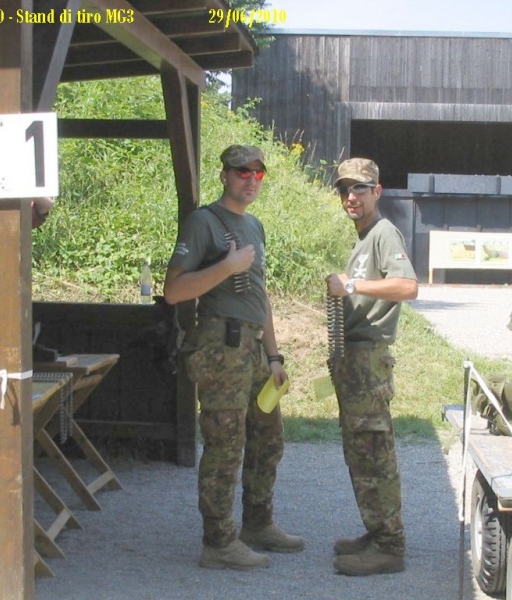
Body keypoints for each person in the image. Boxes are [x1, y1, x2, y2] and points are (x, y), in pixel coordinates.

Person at [163, 145, 303, 571]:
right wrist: (227, 267)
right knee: (225, 445)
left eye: (258, 174)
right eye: (242, 172)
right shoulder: (204, 222)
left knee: (268, 439)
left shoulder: (254, 225)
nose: (250, 180)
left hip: (254, 349)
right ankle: (219, 542)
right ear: (224, 175)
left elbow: (261, 298)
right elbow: (174, 290)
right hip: (221, 348)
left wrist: (274, 356)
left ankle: (257, 524)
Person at [325, 158, 418, 576]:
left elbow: (408, 286)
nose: (351, 196)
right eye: (345, 189)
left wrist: (352, 285)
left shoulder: (383, 233)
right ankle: (377, 531)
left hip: (369, 360)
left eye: (359, 188)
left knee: (374, 453)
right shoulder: (364, 238)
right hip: (356, 359)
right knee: (361, 453)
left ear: (377, 192)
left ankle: (389, 545)